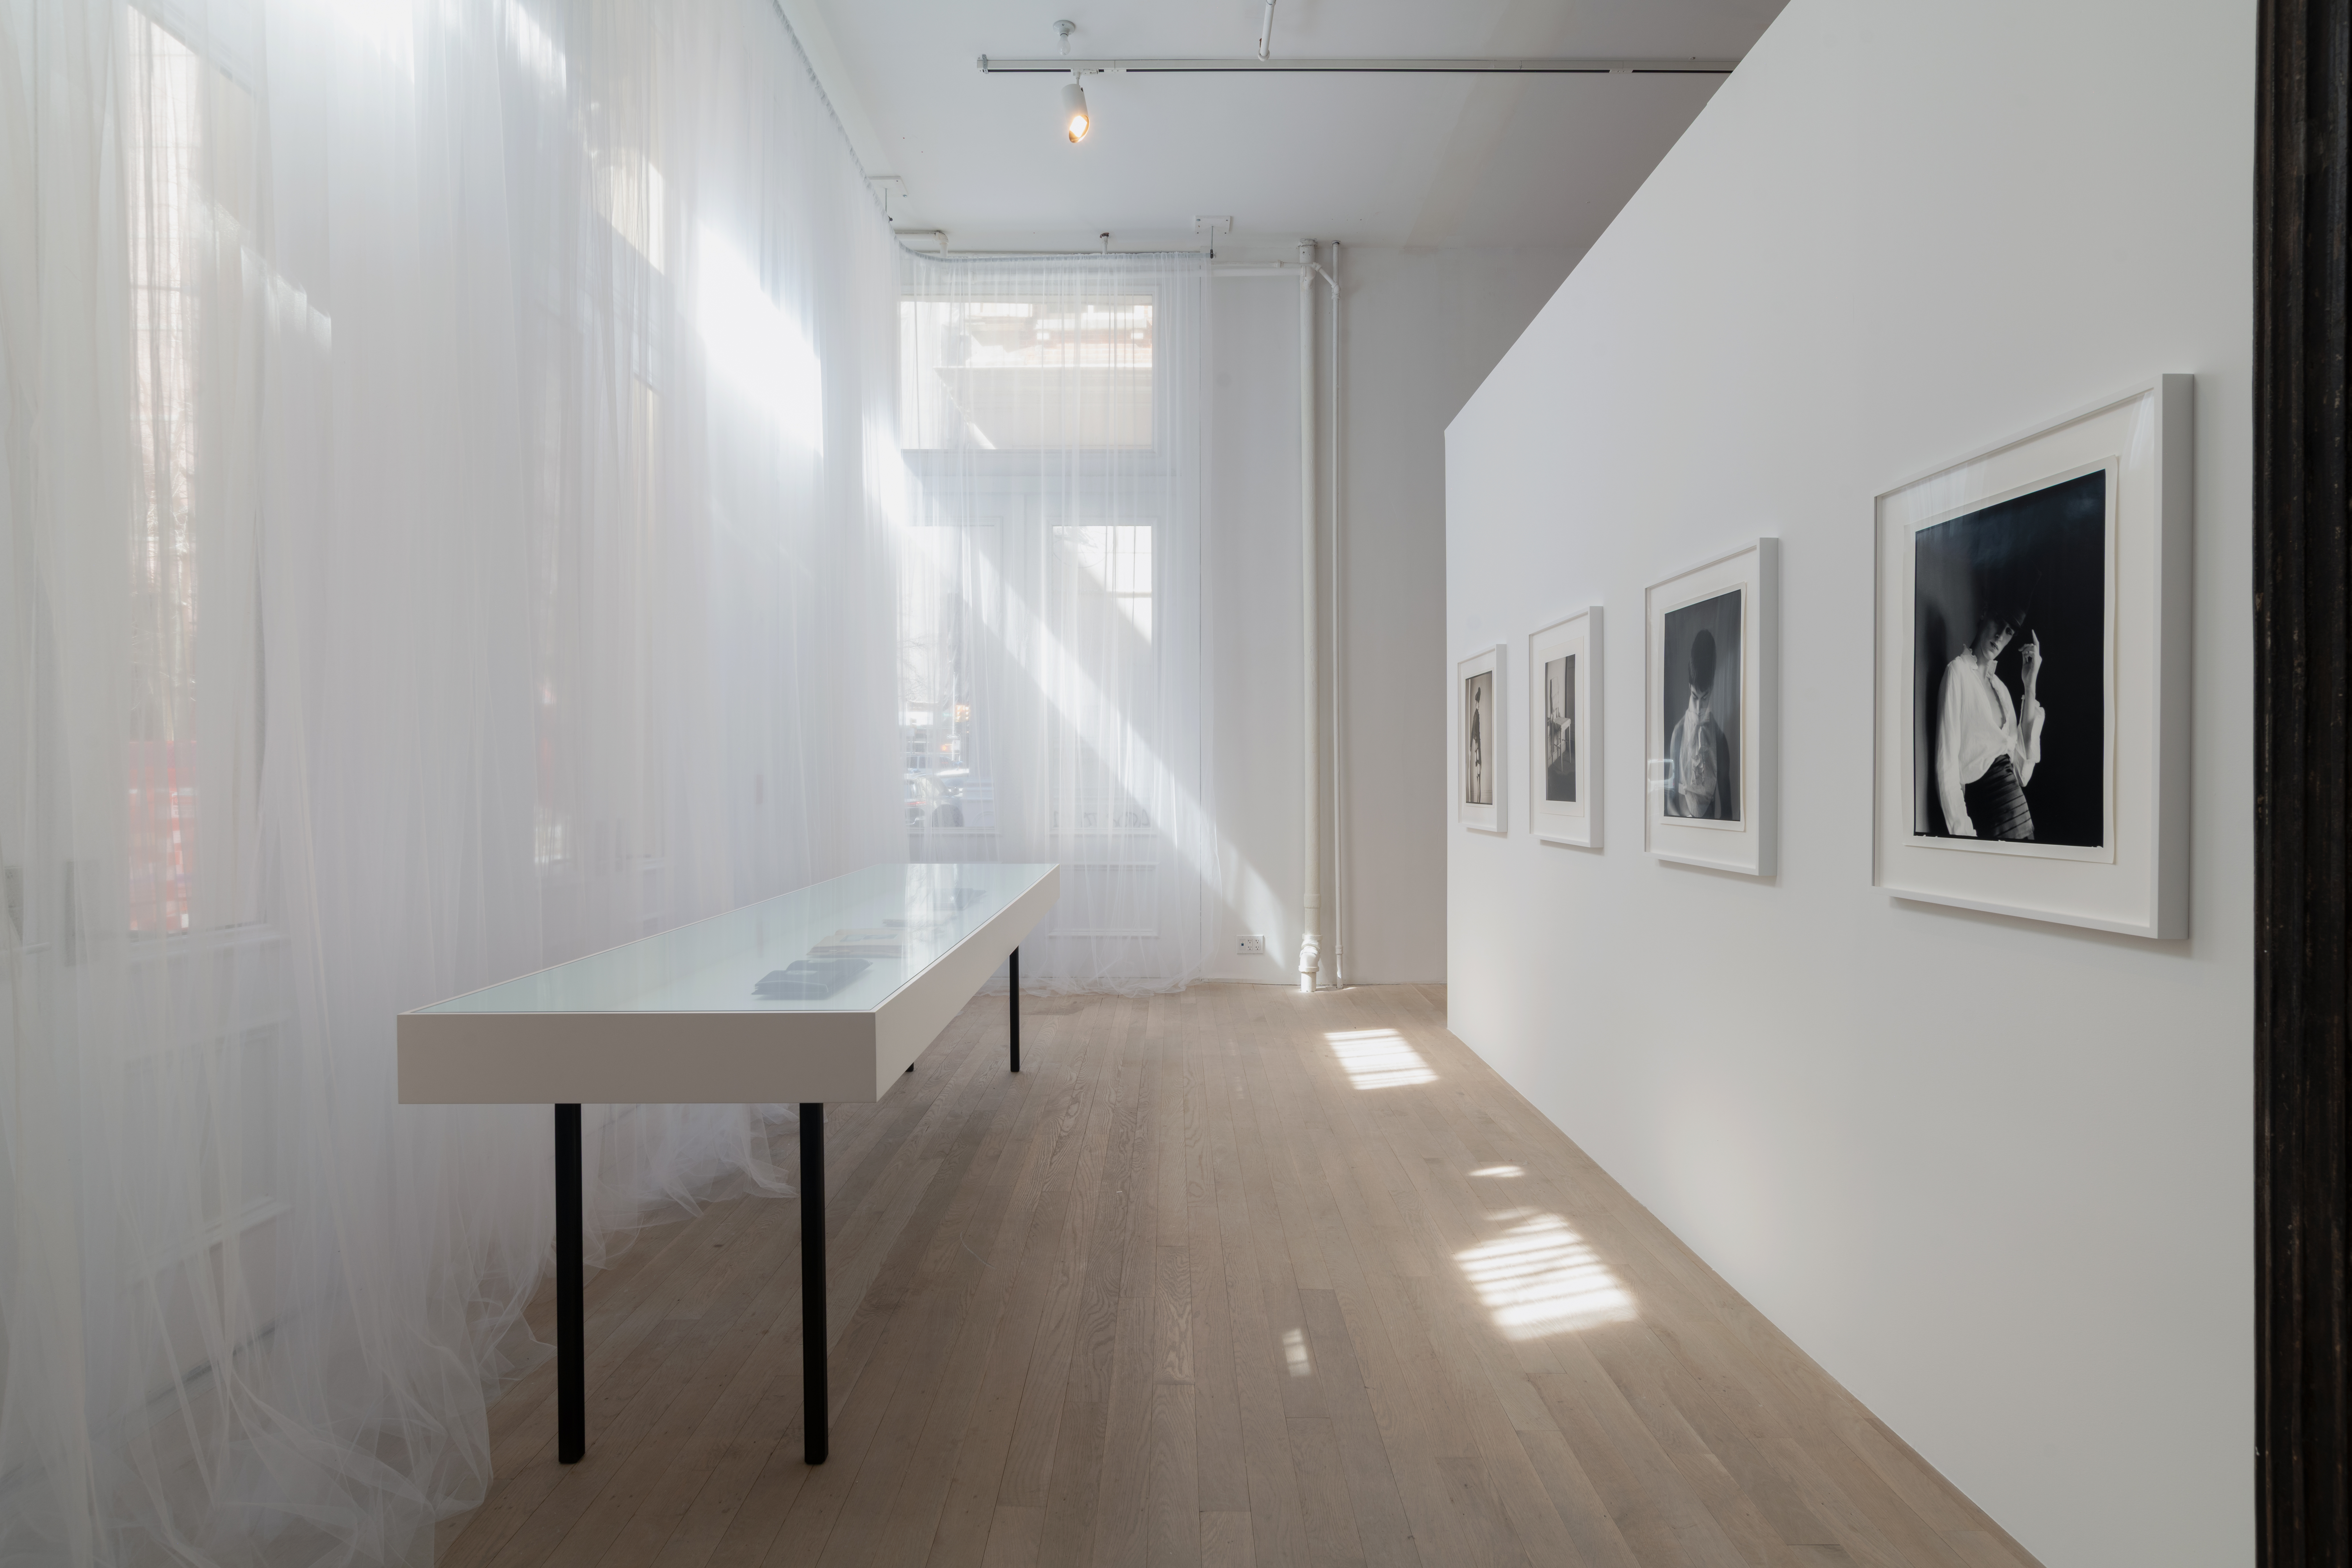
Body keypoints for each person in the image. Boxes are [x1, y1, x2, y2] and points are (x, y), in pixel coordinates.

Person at [1934, 602, 2043, 840]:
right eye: (1998, 622)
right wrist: (1965, 840)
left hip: (2026, 830)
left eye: (2009, 632)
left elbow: (2023, 773)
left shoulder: (2001, 690)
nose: (2000, 636)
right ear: (1984, 614)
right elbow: (1947, 772)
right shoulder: (1958, 673)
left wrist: (2030, 684)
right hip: (1993, 832)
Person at [1667, 628, 1732, 819]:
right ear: (1689, 688)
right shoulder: (1678, 734)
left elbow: (1727, 810)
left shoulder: (1720, 742)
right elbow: (1669, 803)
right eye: (1695, 696)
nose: (1698, 707)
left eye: (1705, 698)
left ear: (1712, 690)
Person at [1467, 681, 1487, 803]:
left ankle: (1479, 797)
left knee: (1479, 765)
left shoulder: (1476, 715)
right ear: (1477, 704)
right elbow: (1475, 731)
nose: (1480, 706)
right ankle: (1478, 795)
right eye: (1479, 704)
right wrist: (1475, 745)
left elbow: (1473, 732)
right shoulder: (1477, 715)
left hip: (1476, 743)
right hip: (1477, 743)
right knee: (1479, 764)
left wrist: (1471, 746)